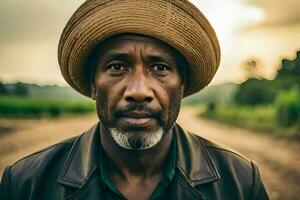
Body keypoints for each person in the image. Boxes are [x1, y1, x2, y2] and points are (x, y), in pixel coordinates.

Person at [0, 0, 269, 199]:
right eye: (117, 66)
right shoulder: (26, 184)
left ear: (182, 86)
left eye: (160, 68)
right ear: (93, 84)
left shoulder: (241, 182)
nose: (139, 91)